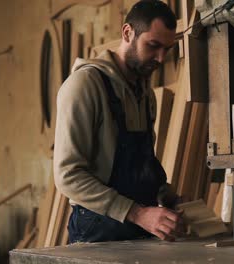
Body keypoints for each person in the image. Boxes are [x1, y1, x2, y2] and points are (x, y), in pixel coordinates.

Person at [53, 0, 183, 243]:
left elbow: (143, 163)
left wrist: (166, 195)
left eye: (167, 49)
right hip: (96, 231)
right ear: (127, 33)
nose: (161, 58)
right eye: (153, 46)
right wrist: (138, 212)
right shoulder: (85, 86)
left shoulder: (146, 95)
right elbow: (68, 175)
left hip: (135, 229)